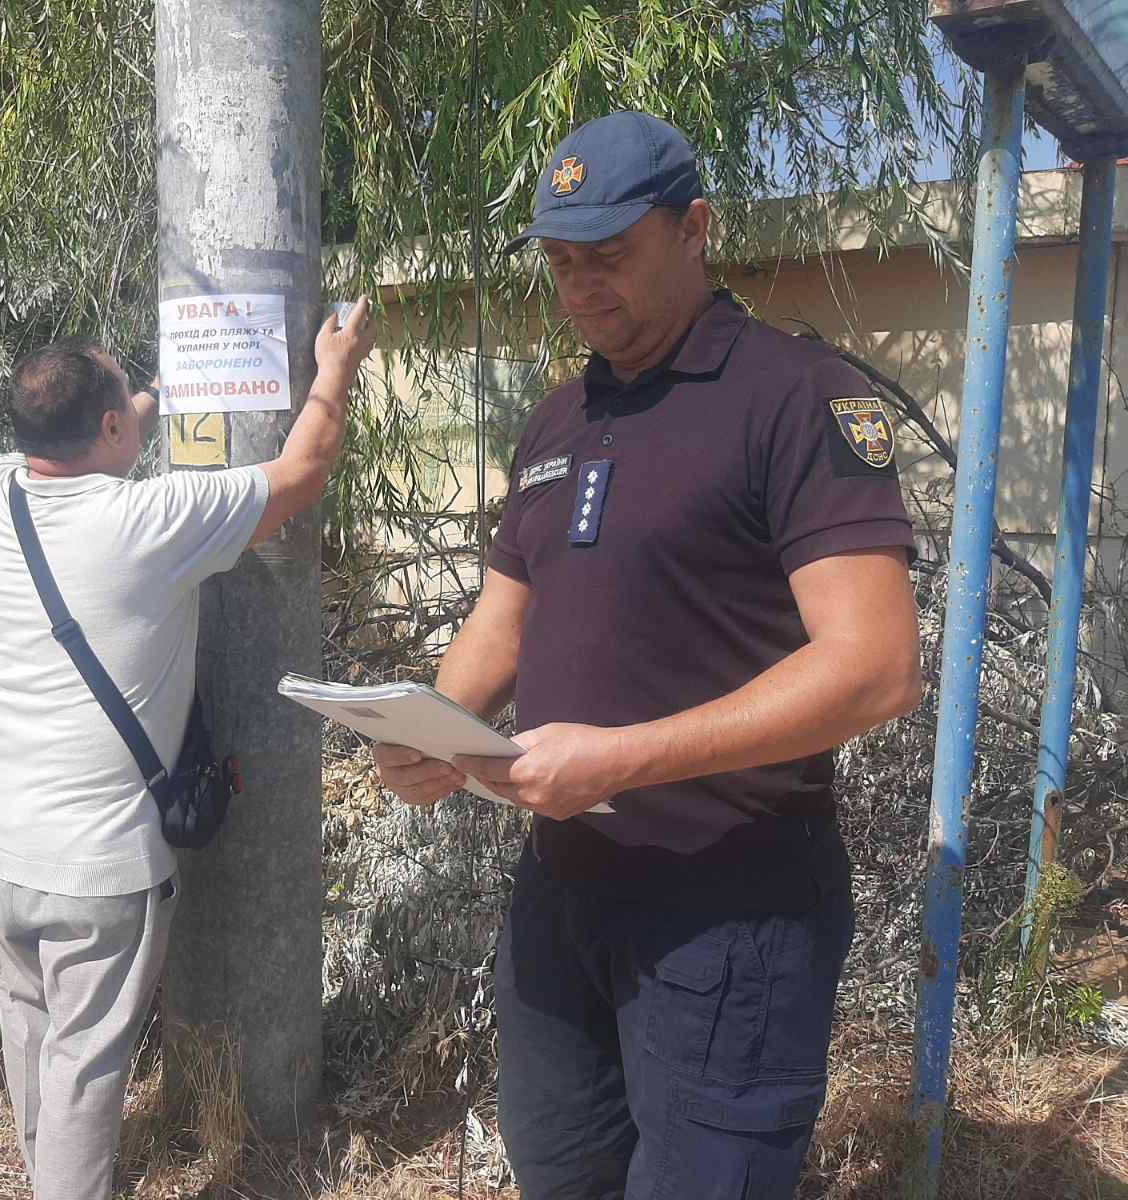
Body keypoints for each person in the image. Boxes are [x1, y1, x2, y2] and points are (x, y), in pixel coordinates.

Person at [372, 111, 922, 1199]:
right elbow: (503, 622)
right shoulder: (558, 417)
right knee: (560, 1172)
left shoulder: (796, 394)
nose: (581, 288)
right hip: (563, 894)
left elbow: (875, 666)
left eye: (609, 256)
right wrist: (423, 730)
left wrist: (623, 757)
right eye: (561, 263)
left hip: (730, 908)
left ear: (694, 228)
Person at [0, 297, 374, 1200]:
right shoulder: (148, 522)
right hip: (94, 868)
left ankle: (44, 1176)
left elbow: (83, 430)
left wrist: (147, 397)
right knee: (85, 1063)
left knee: (30, 1028)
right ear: (108, 428)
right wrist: (335, 367)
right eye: (126, 406)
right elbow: (301, 471)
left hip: (0, 839)